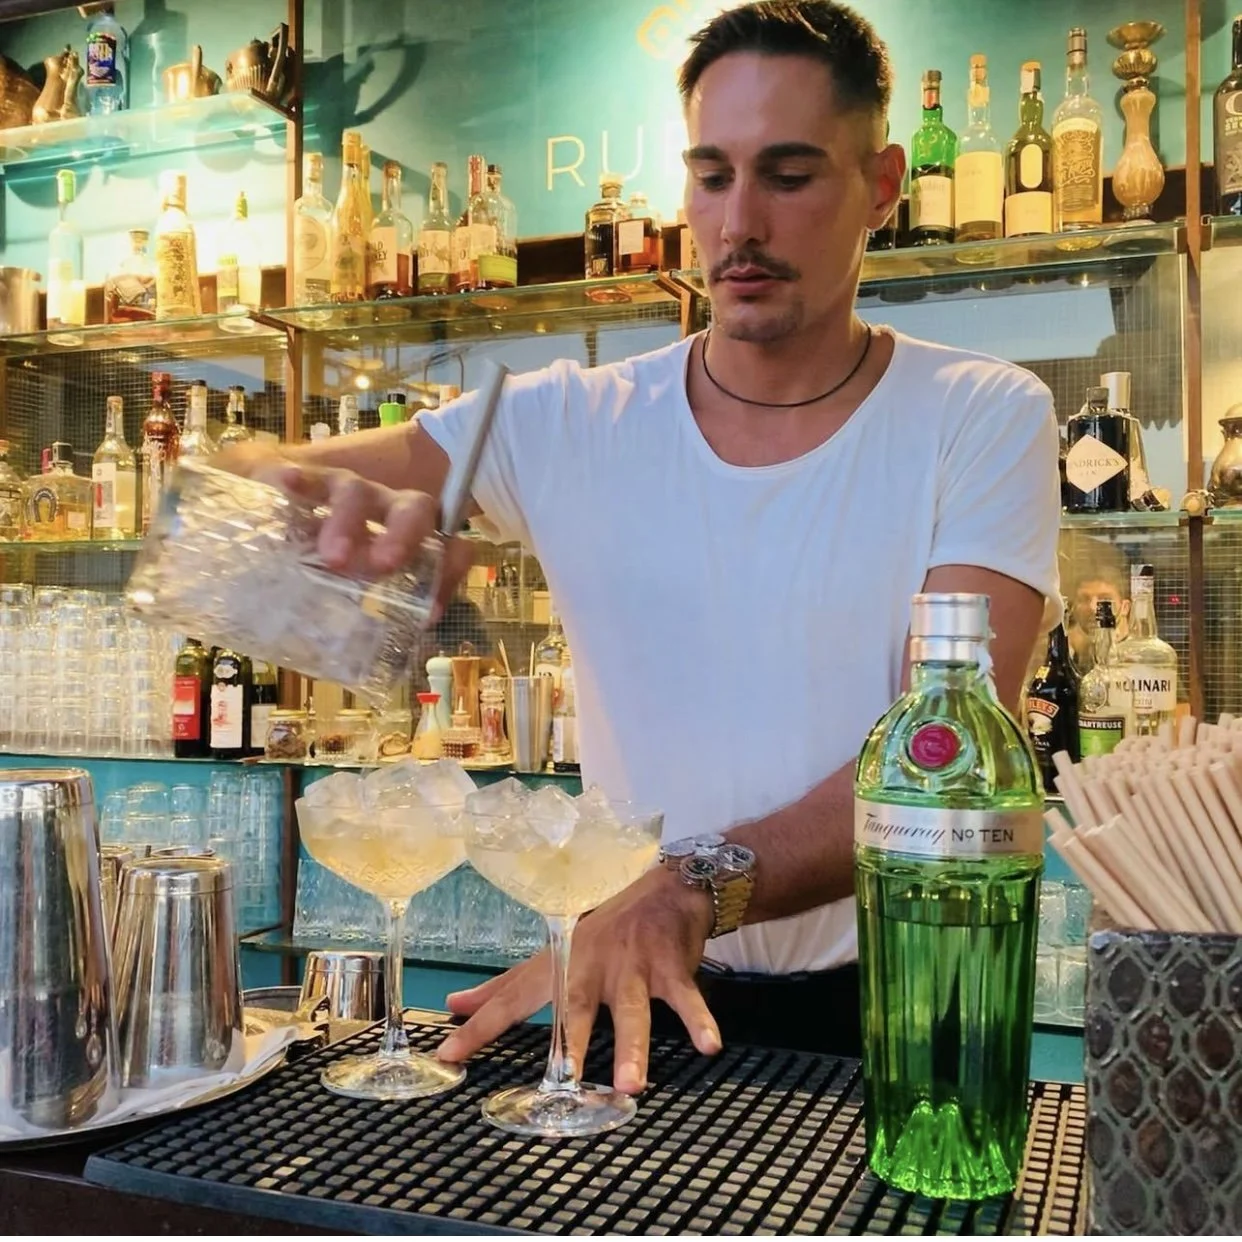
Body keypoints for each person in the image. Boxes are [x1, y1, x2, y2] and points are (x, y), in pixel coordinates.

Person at [222, 1, 1059, 1091]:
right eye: (712, 176)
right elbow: (234, 489)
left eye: (790, 175)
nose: (739, 222)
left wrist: (680, 890)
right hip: (631, 986)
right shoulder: (567, 421)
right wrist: (295, 520)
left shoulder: (978, 414)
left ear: (884, 186)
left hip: (893, 997)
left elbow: (941, 767)